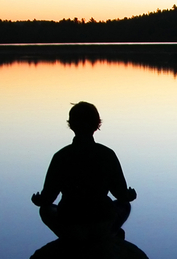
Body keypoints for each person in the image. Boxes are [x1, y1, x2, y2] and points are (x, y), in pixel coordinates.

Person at [31, 102, 136, 238]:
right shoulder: (107, 154)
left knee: (46, 210)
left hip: (70, 221)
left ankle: (71, 238)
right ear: (97, 124)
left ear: (71, 125)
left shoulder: (61, 156)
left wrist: (38, 200)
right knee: (124, 205)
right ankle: (109, 233)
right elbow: (121, 195)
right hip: (101, 220)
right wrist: (130, 195)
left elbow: (48, 198)